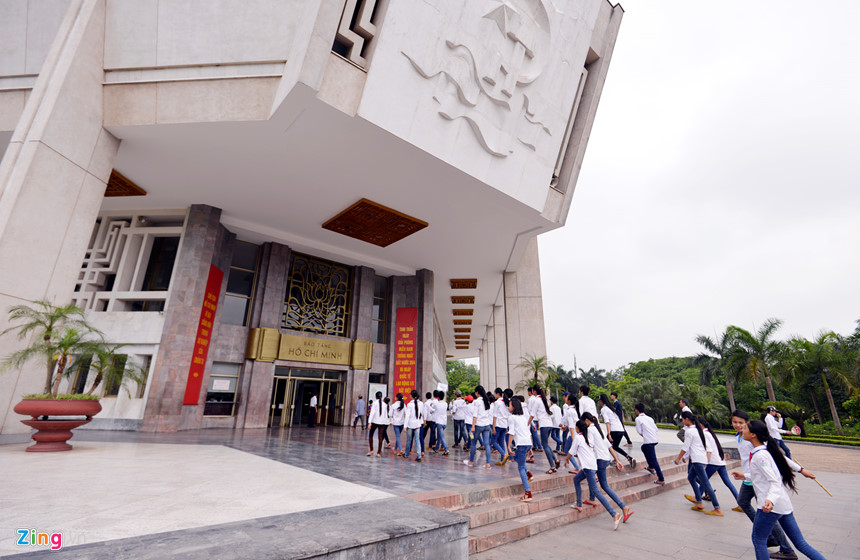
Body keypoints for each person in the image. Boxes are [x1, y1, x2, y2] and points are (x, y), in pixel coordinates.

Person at [732, 420, 826, 560]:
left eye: (744, 427)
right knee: (800, 544)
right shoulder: (764, 451)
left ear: (753, 435)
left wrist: (770, 499)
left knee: (759, 540)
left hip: (770, 505)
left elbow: (774, 481)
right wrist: (744, 476)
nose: (742, 429)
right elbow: (763, 475)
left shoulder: (761, 455)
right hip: (782, 504)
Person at [569, 419, 623, 530]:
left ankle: (614, 514)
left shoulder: (587, 433)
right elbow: (608, 446)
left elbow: (573, 451)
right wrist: (616, 459)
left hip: (592, 465)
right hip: (594, 463)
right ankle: (579, 504)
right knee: (577, 480)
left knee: (597, 490)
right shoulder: (597, 431)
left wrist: (566, 460)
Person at [581, 411, 633, 523]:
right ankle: (623, 507)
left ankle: (619, 510)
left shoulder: (590, 430)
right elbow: (609, 446)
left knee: (600, 487)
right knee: (604, 486)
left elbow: (591, 448)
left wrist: (593, 470)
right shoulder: (600, 429)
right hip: (606, 459)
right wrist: (617, 459)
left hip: (598, 461)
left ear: (586, 421)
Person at [674, 411, 723, 516]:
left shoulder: (690, 432)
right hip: (700, 459)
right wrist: (704, 459)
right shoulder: (699, 431)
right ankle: (699, 502)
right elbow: (704, 448)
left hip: (697, 460)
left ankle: (717, 508)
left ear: (686, 419)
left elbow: (685, 447)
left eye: (682, 419)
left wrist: (678, 458)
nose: (683, 422)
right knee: (691, 477)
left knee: (705, 483)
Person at [507, 397, 535, 501]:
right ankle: (528, 474)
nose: (508, 407)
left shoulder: (512, 418)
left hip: (522, 444)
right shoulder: (523, 417)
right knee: (517, 458)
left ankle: (528, 493)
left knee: (520, 466)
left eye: (509, 405)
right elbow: (527, 432)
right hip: (527, 442)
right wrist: (530, 447)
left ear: (514, 407)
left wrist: (509, 446)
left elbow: (511, 432)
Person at [529, 386, 560, 474]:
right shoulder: (543, 399)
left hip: (544, 425)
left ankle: (552, 466)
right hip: (549, 424)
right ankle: (555, 460)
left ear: (534, 391)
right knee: (545, 444)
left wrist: (528, 423)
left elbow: (532, 414)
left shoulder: (536, 400)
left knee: (545, 445)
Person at [598, 394, 635, 467]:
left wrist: (609, 434)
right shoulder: (611, 408)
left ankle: (612, 460)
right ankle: (629, 457)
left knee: (606, 444)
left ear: (601, 401)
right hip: (621, 430)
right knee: (615, 446)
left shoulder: (604, 409)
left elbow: (607, 422)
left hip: (614, 430)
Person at [634, 403, 664, 485]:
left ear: (636, 410)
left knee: (654, 460)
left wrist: (645, 435)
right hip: (654, 439)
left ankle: (661, 478)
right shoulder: (650, 418)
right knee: (643, 448)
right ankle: (651, 467)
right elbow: (656, 429)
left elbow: (639, 431)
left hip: (649, 441)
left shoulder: (638, 419)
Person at [465, 385, 493, 468]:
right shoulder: (487, 401)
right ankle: (488, 463)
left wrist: (472, 426)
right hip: (487, 425)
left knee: (473, 444)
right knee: (487, 444)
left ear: (477, 393)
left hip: (478, 425)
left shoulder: (476, 402)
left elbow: (475, 416)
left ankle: (471, 461)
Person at [403, 390, 425, 461]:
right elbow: (422, 413)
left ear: (411, 396)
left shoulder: (409, 405)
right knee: (417, 440)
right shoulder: (421, 403)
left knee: (409, 440)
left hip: (410, 425)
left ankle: (406, 454)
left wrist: (405, 426)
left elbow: (407, 416)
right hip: (418, 424)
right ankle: (419, 455)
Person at [491, 388, 510, 465]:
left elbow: (495, 416)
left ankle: (504, 454)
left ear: (497, 394)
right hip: (504, 424)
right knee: (501, 441)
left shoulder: (497, 403)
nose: (494, 395)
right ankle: (502, 460)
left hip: (498, 424)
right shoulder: (505, 402)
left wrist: (493, 427)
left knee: (493, 441)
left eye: (495, 393)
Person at [367, 391, 389, 457]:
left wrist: (369, 422)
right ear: (381, 396)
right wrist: (385, 422)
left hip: (375, 422)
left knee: (371, 435)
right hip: (382, 423)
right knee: (380, 437)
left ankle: (371, 450)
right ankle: (378, 452)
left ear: (376, 396)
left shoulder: (375, 403)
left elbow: (372, 413)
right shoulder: (385, 405)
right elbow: (385, 415)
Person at [433, 390, 450, 455]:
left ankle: (446, 449)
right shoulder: (446, 404)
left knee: (442, 436)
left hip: (439, 422)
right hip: (444, 422)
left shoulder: (437, 404)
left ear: (438, 397)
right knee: (440, 436)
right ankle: (437, 448)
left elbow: (433, 408)